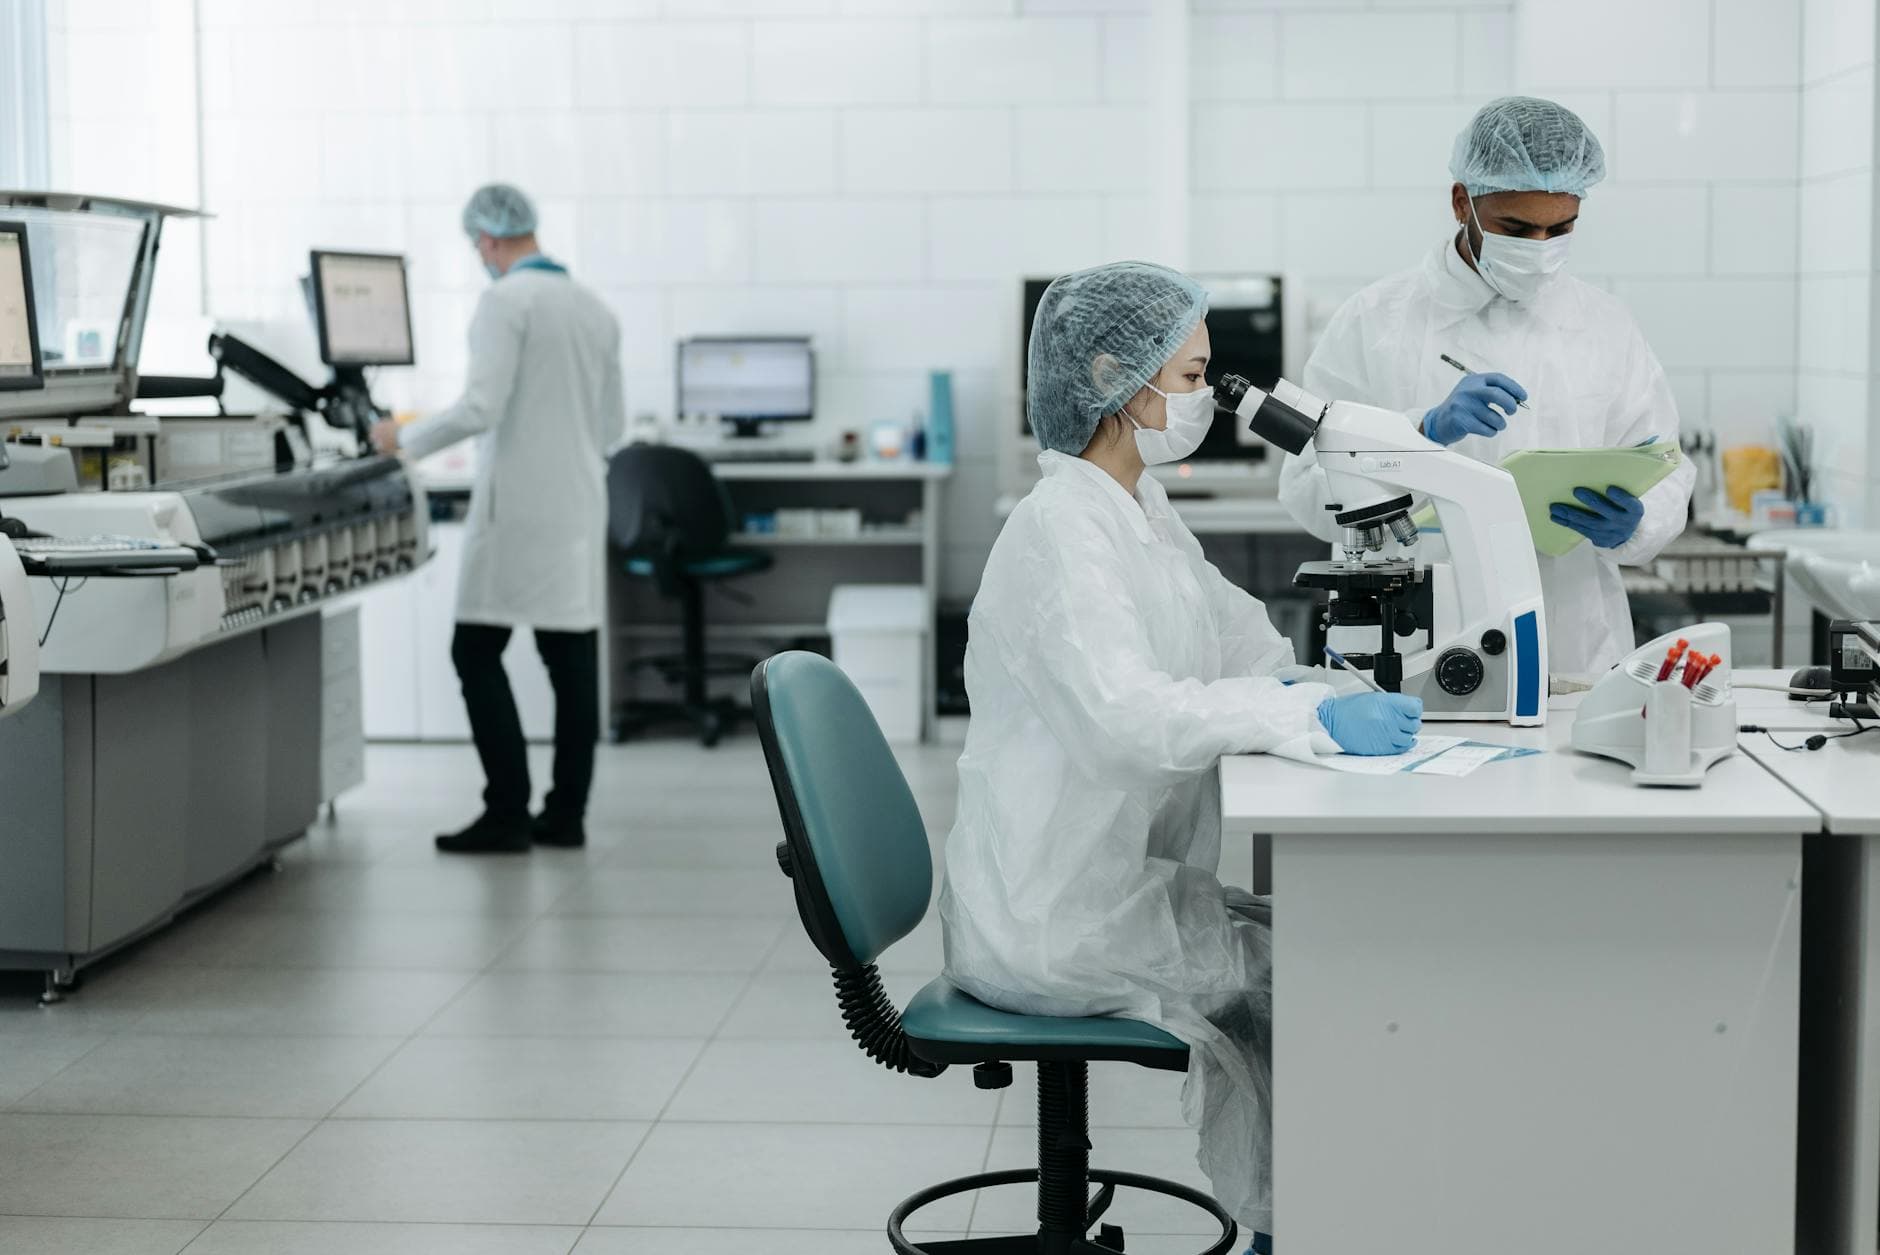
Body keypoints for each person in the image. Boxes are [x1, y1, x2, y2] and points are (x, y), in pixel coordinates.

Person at [939, 261, 1423, 1250]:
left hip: (1116, 882)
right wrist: (1303, 724)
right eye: (1195, 375)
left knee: (1319, 941)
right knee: (1313, 978)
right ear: (1117, 374)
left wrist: (1322, 690)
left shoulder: (1139, 511)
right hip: (1054, 914)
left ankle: (1303, 1215)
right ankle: (1292, 1224)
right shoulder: (1060, 530)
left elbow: (1234, 639)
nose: (1209, 397)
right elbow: (1126, 722)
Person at [1278, 96, 1695, 676]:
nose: (1539, 248)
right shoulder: (1374, 323)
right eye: (1516, 228)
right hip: (1412, 641)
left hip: (1571, 645)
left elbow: (1667, 466)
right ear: (1461, 203)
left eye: (1561, 228)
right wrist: (1418, 433)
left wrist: (1638, 521)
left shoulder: (1605, 326)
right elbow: (1305, 485)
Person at [370, 184, 624, 854]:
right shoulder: (596, 309)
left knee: (474, 650)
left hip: (519, 512)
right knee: (570, 659)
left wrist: (401, 436)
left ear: (486, 239)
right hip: (576, 508)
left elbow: (480, 407)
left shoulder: (504, 300)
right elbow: (612, 427)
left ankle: (507, 809)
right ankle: (565, 815)